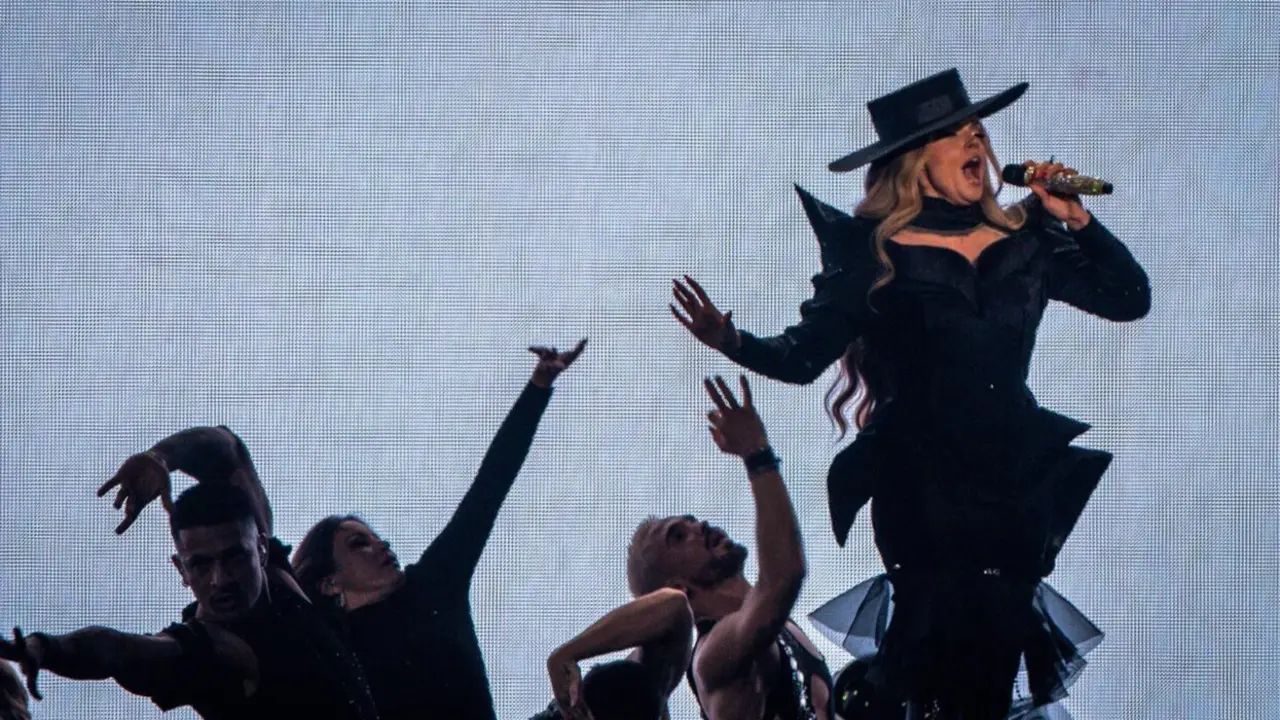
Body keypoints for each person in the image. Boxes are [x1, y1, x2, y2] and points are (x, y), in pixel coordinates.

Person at [670, 68, 1149, 719]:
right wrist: (731, 340)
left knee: (998, 637)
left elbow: (1129, 299)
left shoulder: (1028, 243)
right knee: (934, 640)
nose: (974, 142)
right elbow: (802, 356)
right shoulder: (876, 255)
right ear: (919, 160)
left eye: (978, 129)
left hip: (1012, 485)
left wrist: (1079, 219)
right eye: (957, 134)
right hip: (922, 482)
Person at [101, 340, 585, 720]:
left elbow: (488, 488)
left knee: (610, 688)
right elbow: (229, 461)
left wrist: (538, 386)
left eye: (376, 538)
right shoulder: (320, 637)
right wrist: (161, 458)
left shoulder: (433, 584)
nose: (381, 546)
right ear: (329, 580)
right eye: (359, 544)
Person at [1, 483, 379, 719]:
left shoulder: (280, 581)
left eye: (233, 557)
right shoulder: (216, 646)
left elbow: (225, 448)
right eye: (200, 564)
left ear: (261, 549)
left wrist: (162, 458)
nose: (220, 580)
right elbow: (119, 649)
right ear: (180, 569)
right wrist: (46, 647)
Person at [626, 376, 833, 720]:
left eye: (691, 520)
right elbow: (783, 576)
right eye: (678, 536)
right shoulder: (713, 657)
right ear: (678, 588)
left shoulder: (783, 629)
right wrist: (756, 453)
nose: (699, 526)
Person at [540, 587, 694, 719]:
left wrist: (565, 655)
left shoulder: (638, 700)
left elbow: (674, 607)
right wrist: (564, 656)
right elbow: (674, 607)